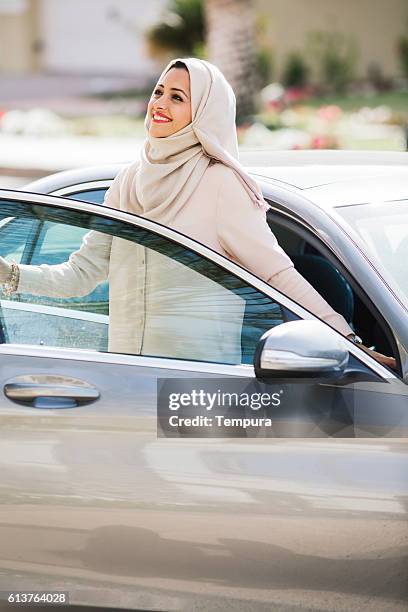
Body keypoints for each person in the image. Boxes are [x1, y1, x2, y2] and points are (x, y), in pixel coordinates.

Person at [0, 57, 396, 369]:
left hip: (197, 389)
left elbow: (278, 275)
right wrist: (10, 274)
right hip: (127, 379)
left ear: (204, 113)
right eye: (159, 91)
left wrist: (350, 342)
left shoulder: (221, 185)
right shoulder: (127, 182)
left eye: (177, 97)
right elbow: (80, 275)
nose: (160, 104)